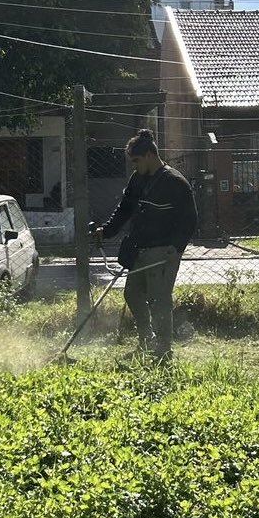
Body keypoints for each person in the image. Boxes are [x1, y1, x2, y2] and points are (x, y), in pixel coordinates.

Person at [95, 129, 197, 362]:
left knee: (159, 299)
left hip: (164, 251)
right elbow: (124, 209)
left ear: (150, 155)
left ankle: (163, 350)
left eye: (136, 161)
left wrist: (176, 248)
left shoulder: (175, 182)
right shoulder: (137, 179)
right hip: (139, 248)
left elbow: (190, 219)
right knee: (132, 294)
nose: (134, 166)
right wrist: (107, 231)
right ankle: (146, 340)